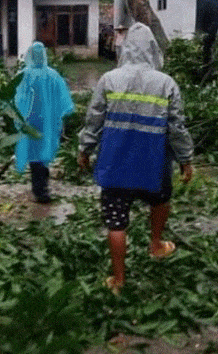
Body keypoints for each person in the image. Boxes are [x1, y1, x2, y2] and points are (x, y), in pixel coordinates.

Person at [77, 23, 193, 294]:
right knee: (161, 200)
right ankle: (155, 245)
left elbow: (93, 120)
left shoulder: (108, 80)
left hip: (116, 162)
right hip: (154, 163)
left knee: (116, 221)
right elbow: (177, 127)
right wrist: (186, 159)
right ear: (153, 50)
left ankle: (118, 279)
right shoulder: (166, 83)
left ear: (126, 49)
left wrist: (84, 150)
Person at [14, 42, 74, 203]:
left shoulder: (24, 75)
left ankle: (40, 191)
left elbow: (17, 99)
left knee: (35, 157)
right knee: (44, 155)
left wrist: (17, 121)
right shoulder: (53, 75)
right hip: (49, 123)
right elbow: (64, 102)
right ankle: (42, 188)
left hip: (31, 123)